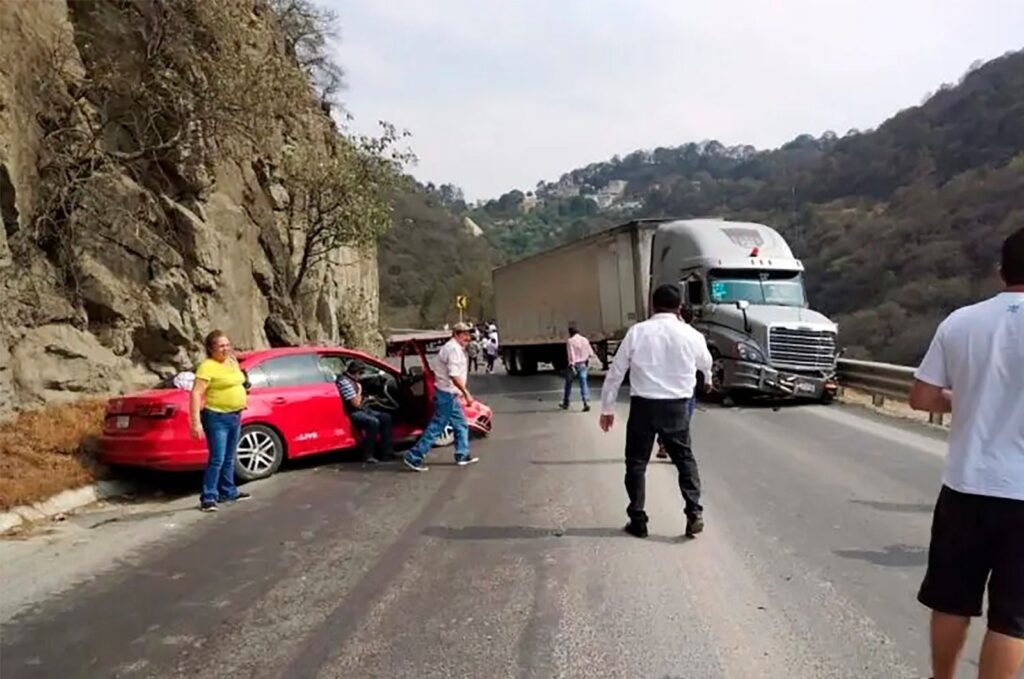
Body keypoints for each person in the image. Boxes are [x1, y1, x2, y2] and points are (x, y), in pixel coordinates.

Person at [909, 226, 1024, 679]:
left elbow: (921, 396)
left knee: (951, 599)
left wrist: (958, 401)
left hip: (964, 485)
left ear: (1001, 272)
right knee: (1013, 617)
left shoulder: (961, 321)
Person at [599, 284, 712, 539]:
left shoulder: (637, 332)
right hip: (677, 407)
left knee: (637, 463)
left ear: (652, 305)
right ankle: (694, 512)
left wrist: (607, 408)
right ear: (680, 306)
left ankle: (638, 518)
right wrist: (708, 379)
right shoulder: (691, 334)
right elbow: (706, 362)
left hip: (644, 406)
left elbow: (616, 373)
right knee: (684, 460)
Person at [404, 323, 480, 471]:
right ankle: (414, 456)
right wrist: (466, 393)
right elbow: (454, 375)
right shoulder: (453, 350)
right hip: (447, 394)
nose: (468, 338)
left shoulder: (453, 348)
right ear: (456, 334)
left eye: (469, 334)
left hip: (449, 393)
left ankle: (462, 455)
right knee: (437, 426)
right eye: (465, 334)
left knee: (461, 424)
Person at [190, 330, 251, 512]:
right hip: (216, 417)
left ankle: (228, 491)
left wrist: (241, 399)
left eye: (227, 345)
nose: (225, 349)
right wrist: (195, 422)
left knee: (229, 458)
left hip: (234, 415)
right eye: (221, 346)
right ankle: (208, 497)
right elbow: (196, 393)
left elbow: (236, 383)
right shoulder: (207, 366)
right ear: (211, 348)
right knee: (217, 459)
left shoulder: (232, 362)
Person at [657, 306, 700, 459]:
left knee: (666, 415)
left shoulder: (668, 332)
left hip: (666, 381)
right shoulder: (693, 335)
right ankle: (681, 451)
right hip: (686, 384)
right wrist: (707, 379)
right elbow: (703, 361)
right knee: (684, 418)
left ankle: (664, 445)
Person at [336, 360, 395, 464]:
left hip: (363, 408)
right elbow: (355, 404)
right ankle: (368, 455)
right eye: (361, 374)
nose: (361, 377)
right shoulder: (344, 382)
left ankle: (386, 452)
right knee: (373, 423)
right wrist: (359, 389)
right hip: (353, 412)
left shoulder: (351, 380)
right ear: (357, 373)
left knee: (386, 417)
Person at [560, 324, 595, 412]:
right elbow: (591, 353)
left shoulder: (570, 341)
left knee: (568, 384)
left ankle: (566, 402)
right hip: (583, 364)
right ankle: (585, 402)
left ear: (570, 333)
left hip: (574, 365)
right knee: (583, 383)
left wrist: (572, 365)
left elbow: (571, 354)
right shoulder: (585, 340)